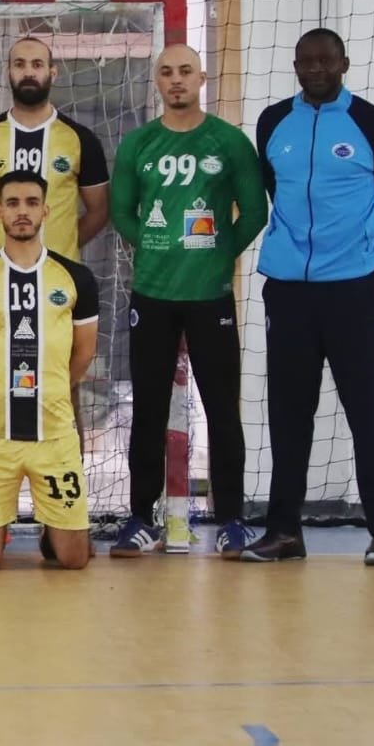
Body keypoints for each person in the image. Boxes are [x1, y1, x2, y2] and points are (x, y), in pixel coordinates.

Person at [243, 28, 374, 566]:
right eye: (306, 62)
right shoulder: (273, 122)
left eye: (325, 60)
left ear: (343, 64)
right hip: (289, 292)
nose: (315, 69)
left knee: (368, 411)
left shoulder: (372, 123)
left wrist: (360, 244)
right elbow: (274, 187)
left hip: (355, 291)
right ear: (295, 67)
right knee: (289, 414)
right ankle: (284, 532)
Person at [108, 45, 267, 559]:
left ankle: (232, 521)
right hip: (152, 295)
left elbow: (255, 212)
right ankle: (140, 518)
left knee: (222, 411)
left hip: (210, 296)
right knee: (148, 411)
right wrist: (152, 246)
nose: (176, 80)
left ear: (201, 78)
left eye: (184, 71)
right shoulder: (139, 143)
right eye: (166, 72)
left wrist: (221, 254)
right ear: (156, 81)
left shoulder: (229, 141)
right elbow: (121, 212)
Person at [0, 170, 99, 570]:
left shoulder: (76, 277)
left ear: (46, 211)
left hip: (54, 435)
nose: (22, 212)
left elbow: (85, 350)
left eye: (32, 203)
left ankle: (55, 527)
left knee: (73, 560)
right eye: (13, 203)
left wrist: (56, 388)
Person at [0, 37, 109, 260]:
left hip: (59, 273)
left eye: (37, 64)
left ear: (53, 72)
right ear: (8, 72)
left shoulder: (81, 139)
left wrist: (62, 248)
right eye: (19, 64)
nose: (28, 72)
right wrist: (4, 243)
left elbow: (99, 211)